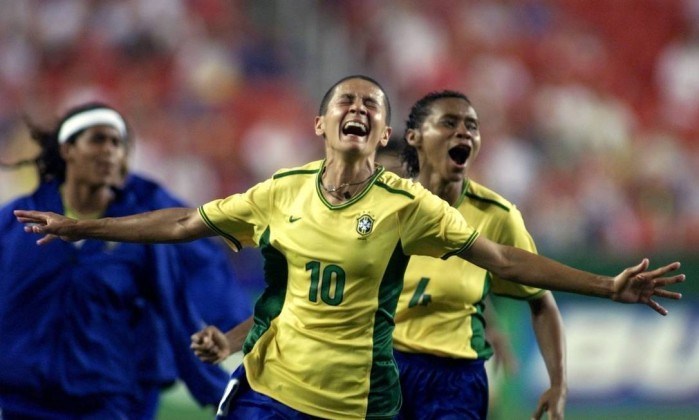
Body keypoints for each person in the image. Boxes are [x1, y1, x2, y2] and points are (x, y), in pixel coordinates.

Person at [14, 75, 685, 419]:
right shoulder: (280, 192)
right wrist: (84, 227)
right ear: (321, 123)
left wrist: (606, 286)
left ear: (385, 129)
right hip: (268, 390)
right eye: (346, 100)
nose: (358, 107)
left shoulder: (408, 208)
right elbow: (190, 223)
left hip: (357, 401)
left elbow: (504, 263)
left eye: (371, 102)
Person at [0, 102, 249, 419]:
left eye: (117, 143)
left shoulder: (143, 221)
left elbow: (186, 292)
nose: (108, 151)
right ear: (67, 149)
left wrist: (227, 369)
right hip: (25, 400)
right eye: (97, 140)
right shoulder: (14, 223)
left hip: (109, 399)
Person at [391, 90, 565, 419]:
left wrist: (558, 383)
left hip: (455, 377)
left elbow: (539, 298)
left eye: (472, 125)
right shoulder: (381, 210)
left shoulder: (495, 215)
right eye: (449, 123)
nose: (463, 132)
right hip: (382, 368)